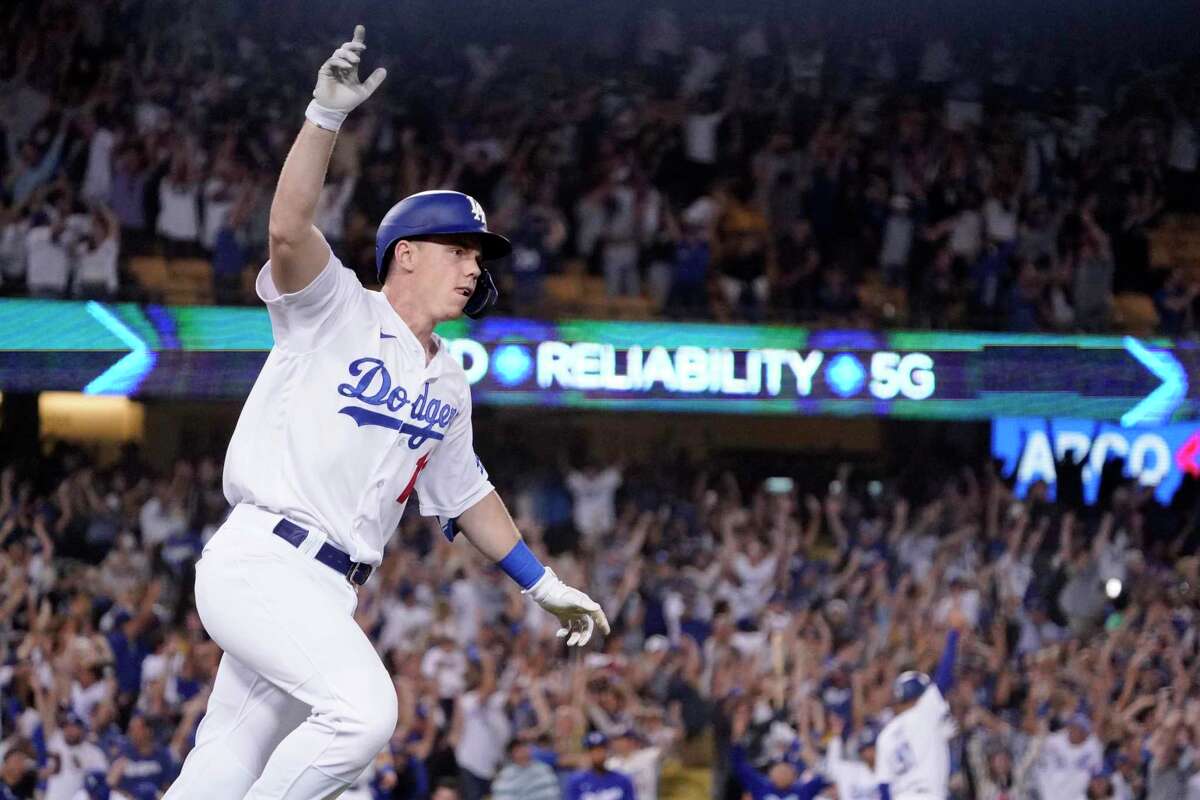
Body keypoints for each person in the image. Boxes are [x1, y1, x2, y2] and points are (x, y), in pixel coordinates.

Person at [162, 26, 608, 800]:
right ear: (406, 253)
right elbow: (287, 229)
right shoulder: (335, 307)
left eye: (479, 258)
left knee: (225, 759)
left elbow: (468, 495)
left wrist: (544, 584)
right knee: (363, 718)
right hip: (265, 557)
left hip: (329, 588)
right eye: (460, 250)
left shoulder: (448, 379)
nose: (475, 267)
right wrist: (323, 118)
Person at [874, 629, 959, 800]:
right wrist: (953, 636)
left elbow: (883, 787)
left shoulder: (885, 734)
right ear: (920, 695)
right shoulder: (924, 712)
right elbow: (944, 677)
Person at [43, 711, 108, 800]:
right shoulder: (56, 741)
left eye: (73, 727)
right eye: (66, 727)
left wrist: (83, 768)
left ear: (82, 729)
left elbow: (102, 781)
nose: (69, 731)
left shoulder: (94, 753)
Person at [566, 732, 636, 800]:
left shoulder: (623, 780)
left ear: (607, 752)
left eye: (600, 750)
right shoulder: (577, 781)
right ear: (587, 754)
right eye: (593, 751)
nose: (597, 755)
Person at [825, 715, 880, 800]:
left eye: (872, 747)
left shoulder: (888, 769)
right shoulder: (850, 771)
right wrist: (836, 737)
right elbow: (832, 765)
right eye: (865, 749)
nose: (869, 752)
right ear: (860, 752)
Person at [491, 737, 561, 800]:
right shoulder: (505, 775)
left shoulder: (543, 769)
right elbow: (502, 796)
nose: (522, 751)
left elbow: (552, 793)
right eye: (517, 750)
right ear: (511, 753)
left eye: (524, 747)